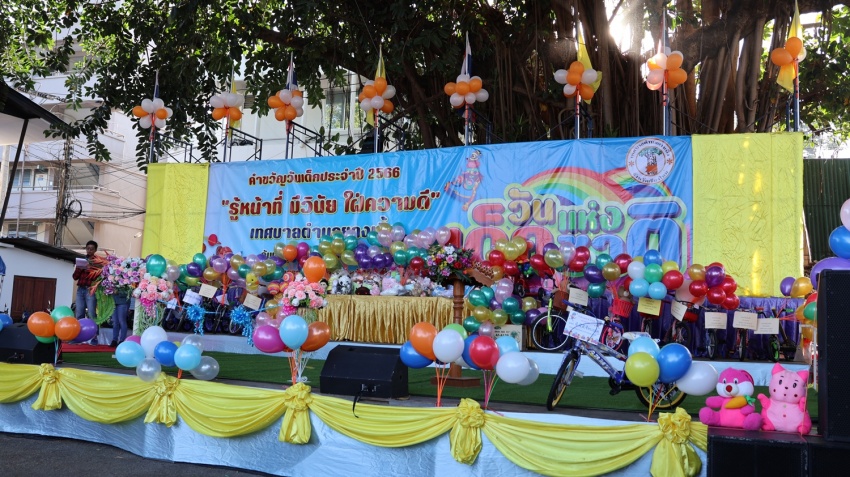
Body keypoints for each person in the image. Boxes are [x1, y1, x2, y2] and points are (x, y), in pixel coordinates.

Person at [73, 240, 102, 344]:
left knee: (91, 313)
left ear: (95, 250)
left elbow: (99, 277)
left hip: (90, 289)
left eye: (91, 249)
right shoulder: (81, 261)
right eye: (88, 248)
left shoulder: (97, 262)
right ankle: (77, 336)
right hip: (80, 289)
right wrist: (80, 268)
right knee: (79, 313)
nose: (89, 251)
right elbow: (75, 277)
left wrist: (90, 268)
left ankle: (94, 337)